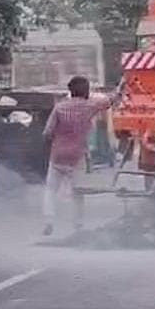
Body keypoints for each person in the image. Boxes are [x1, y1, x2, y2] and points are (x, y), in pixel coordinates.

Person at [41, 76, 122, 236]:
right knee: (77, 192)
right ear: (86, 92)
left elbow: (47, 132)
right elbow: (110, 100)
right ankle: (78, 226)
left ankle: (49, 221)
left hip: (58, 154)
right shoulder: (90, 106)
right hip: (78, 155)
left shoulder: (59, 108)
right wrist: (121, 88)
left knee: (51, 190)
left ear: (70, 91)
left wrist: (50, 142)